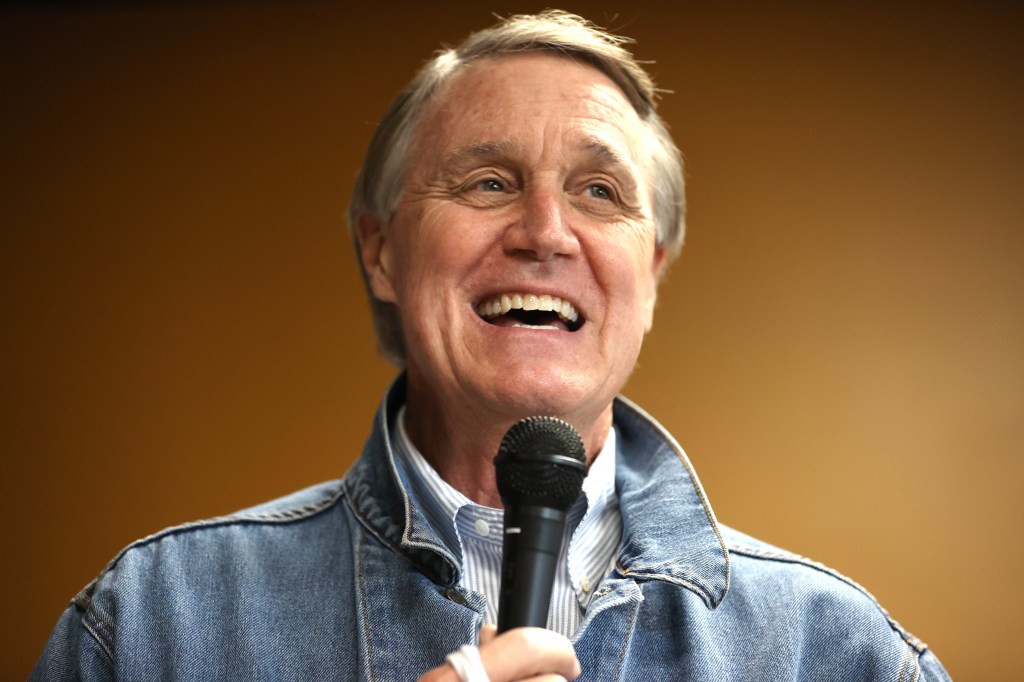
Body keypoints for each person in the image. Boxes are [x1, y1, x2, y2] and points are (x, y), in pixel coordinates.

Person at [32, 11, 950, 681]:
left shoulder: (838, 654)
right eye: (486, 181)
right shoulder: (153, 627)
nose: (545, 232)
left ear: (652, 272)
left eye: (600, 192)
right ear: (381, 250)